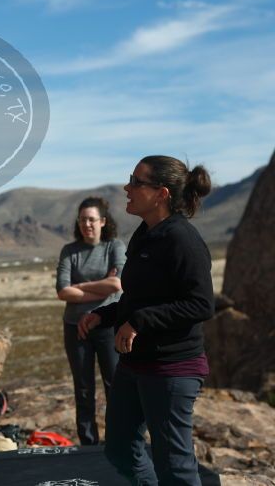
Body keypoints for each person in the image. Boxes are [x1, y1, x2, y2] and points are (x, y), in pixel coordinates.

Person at [78, 156, 213, 485]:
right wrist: (104, 314)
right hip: (135, 364)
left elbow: (200, 305)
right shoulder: (144, 234)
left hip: (171, 367)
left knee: (176, 467)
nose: (127, 188)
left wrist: (139, 322)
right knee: (120, 449)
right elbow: (138, 297)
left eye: (137, 182)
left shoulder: (183, 240)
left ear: (161, 194)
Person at [56, 196, 125, 445]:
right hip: (76, 328)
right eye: (83, 219)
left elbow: (118, 284)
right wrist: (101, 287)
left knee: (114, 385)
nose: (87, 224)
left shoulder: (114, 247)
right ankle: (88, 443)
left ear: (103, 221)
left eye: (92, 219)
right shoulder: (70, 251)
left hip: (107, 326)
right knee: (83, 388)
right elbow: (63, 291)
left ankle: (119, 440)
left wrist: (81, 287)